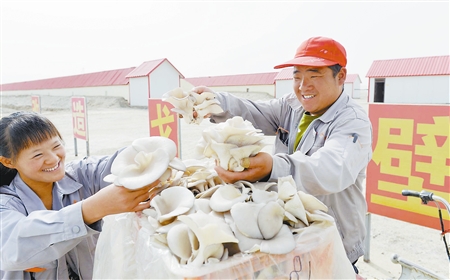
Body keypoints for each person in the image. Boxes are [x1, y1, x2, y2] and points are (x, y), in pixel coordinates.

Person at [192, 36, 373, 273]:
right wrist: (217, 102)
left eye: (314, 75)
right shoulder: (292, 105)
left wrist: (271, 168)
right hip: (293, 233)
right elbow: (255, 112)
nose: (303, 86)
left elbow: (332, 169)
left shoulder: (353, 122)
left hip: (333, 238)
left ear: (340, 76)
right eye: (297, 76)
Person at [0, 111, 158, 279]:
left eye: (56, 146)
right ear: (8, 161)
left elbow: (121, 162)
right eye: (38, 154)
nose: (53, 159)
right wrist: (91, 210)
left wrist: (148, 156)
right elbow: (14, 247)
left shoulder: (82, 175)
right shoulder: (6, 203)